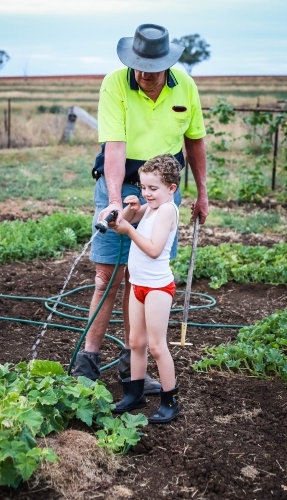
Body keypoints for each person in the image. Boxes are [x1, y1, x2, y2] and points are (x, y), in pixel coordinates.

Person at [73, 23, 209, 392]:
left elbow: (194, 141)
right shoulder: (115, 83)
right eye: (138, 65)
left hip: (166, 190)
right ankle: (88, 362)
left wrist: (202, 193)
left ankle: (131, 370)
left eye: (152, 66)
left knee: (143, 277)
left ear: (167, 63)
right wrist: (115, 201)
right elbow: (114, 147)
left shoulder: (186, 88)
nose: (144, 74)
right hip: (120, 182)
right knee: (107, 277)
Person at [111, 154, 181, 423]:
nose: (147, 193)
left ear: (171, 189)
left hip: (157, 288)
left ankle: (170, 401)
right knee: (135, 342)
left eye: (153, 188)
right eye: (143, 187)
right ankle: (134, 393)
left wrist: (130, 228)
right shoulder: (151, 206)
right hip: (138, 284)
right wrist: (130, 209)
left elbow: (152, 249)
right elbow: (120, 227)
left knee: (157, 346)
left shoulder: (167, 210)